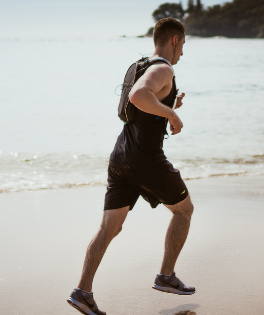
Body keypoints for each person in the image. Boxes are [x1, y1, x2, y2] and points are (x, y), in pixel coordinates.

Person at [67, 17, 195, 315]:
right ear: (174, 40)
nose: (183, 54)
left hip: (120, 158)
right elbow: (139, 97)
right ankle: (166, 275)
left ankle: (82, 292)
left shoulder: (138, 66)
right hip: (145, 160)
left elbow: (132, 110)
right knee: (184, 211)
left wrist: (166, 106)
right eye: (183, 45)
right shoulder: (164, 68)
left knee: (109, 228)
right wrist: (172, 116)